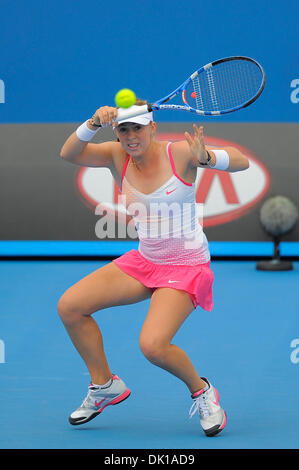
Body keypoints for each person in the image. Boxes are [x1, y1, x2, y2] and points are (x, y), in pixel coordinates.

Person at [58, 99, 249, 436]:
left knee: (153, 346)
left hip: (186, 265)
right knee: (70, 307)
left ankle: (203, 392)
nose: (131, 136)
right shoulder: (117, 156)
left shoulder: (178, 153)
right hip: (146, 260)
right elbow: (70, 154)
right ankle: (104, 386)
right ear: (117, 133)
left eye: (138, 128)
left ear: (153, 128)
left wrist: (207, 157)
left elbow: (241, 162)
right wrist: (92, 122)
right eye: (124, 130)